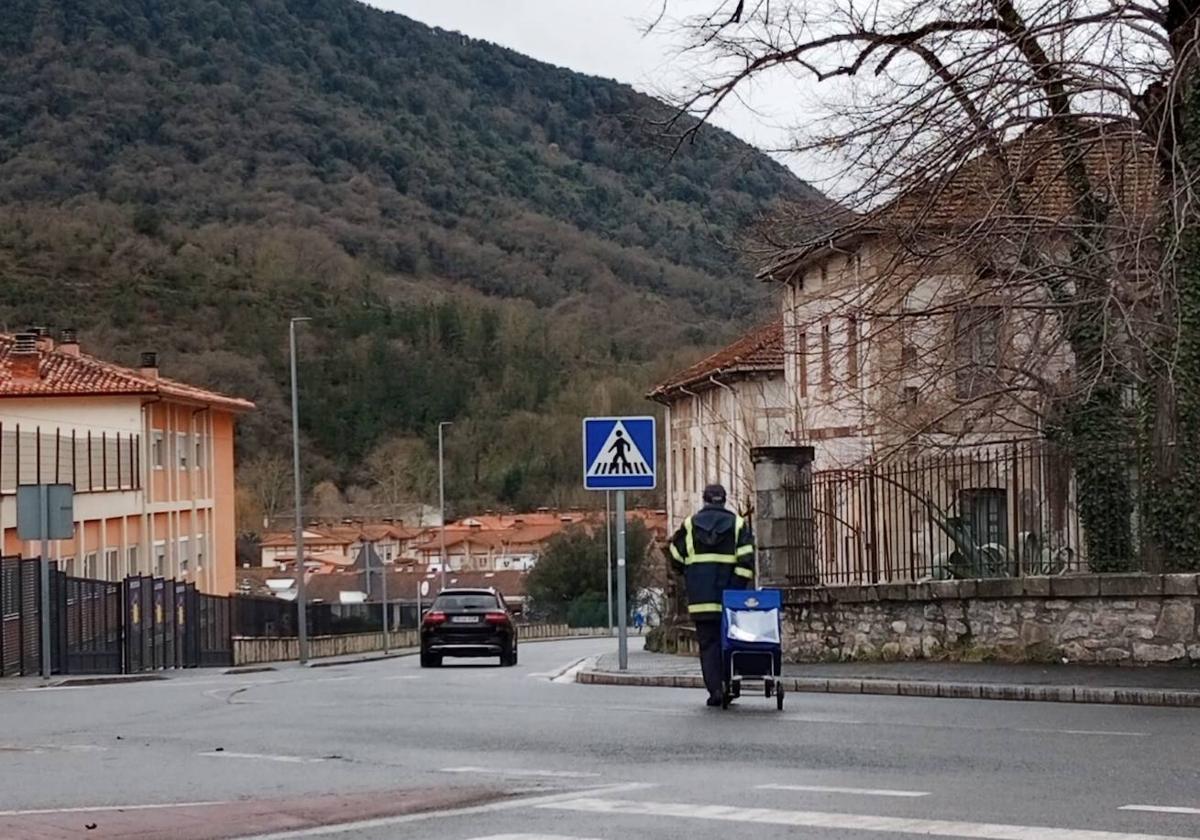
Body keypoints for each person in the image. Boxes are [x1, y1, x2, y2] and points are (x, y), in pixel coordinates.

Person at [668, 484, 755, 707]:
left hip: (700, 599)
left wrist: (689, 574)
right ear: (724, 500)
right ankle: (731, 685)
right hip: (731, 599)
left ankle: (716, 690)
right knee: (732, 642)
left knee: (708, 645)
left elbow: (675, 556)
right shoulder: (737, 525)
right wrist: (736, 587)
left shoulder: (689, 525)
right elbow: (747, 560)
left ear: (704, 500)